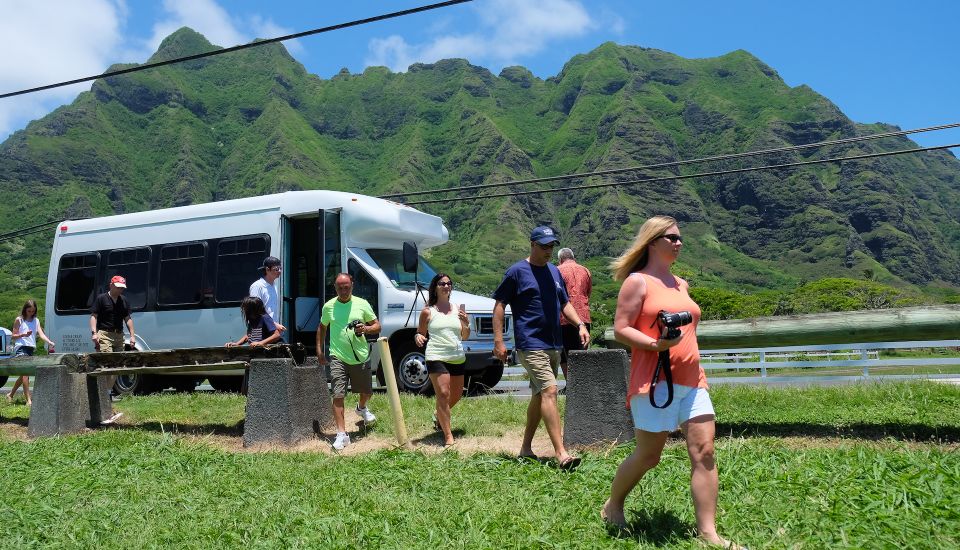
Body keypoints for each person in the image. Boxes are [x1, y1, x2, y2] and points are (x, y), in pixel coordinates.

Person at [601, 216, 741, 550]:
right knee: (649, 456)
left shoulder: (681, 284)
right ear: (652, 241)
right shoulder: (638, 282)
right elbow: (621, 328)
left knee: (705, 451)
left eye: (680, 238)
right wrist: (655, 344)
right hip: (654, 382)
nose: (679, 243)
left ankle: (708, 533)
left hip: (693, 379)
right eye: (671, 238)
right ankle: (613, 504)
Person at [493, 226, 590, 469]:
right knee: (550, 390)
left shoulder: (554, 272)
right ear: (532, 244)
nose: (548, 250)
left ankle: (526, 448)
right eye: (544, 246)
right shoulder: (516, 272)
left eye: (551, 246)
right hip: (530, 343)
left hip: (554, 343)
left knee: (539, 395)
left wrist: (580, 324)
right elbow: (499, 305)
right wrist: (499, 341)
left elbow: (564, 303)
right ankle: (561, 453)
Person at [316, 273, 381, 451]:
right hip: (337, 356)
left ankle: (361, 407)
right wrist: (320, 351)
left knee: (367, 392)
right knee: (337, 395)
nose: (344, 291)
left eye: (347, 287)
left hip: (360, 356)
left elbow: (377, 326)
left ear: (352, 286)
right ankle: (341, 434)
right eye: (340, 288)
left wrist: (365, 329)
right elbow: (322, 327)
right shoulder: (329, 306)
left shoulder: (362, 303)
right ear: (335, 288)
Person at [415, 273, 470, 447]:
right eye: (442, 283)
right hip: (436, 355)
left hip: (457, 356)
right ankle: (448, 436)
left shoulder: (458, 309)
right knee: (444, 394)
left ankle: (438, 414)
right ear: (435, 288)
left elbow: (465, 336)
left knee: (457, 394)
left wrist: (466, 323)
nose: (446, 286)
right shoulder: (427, 311)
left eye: (448, 283)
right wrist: (418, 337)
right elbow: (420, 333)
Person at [8, 299, 55, 405]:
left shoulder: (36, 320)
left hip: (30, 348)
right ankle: (28, 400)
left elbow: (41, 334)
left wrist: (49, 342)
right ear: (25, 309)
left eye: (33, 311)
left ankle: (10, 394)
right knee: (26, 374)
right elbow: (13, 336)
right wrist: (23, 335)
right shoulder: (19, 320)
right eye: (29, 311)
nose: (31, 313)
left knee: (24, 374)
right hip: (21, 348)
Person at [556, 247, 592, 381]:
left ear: (560, 259)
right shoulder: (586, 271)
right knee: (581, 353)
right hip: (583, 317)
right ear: (573, 257)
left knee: (564, 354)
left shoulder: (557, 271)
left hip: (563, 318)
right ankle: (580, 384)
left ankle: (570, 384)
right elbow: (588, 293)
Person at [90, 275, 136, 352]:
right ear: (111, 285)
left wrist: (132, 336)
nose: (120, 290)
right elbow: (93, 317)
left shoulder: (124, 300)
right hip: (105, 335)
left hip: (119, 336)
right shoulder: (101, 298)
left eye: (122, 288)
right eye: (118, 287)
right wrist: (94, 333)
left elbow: (128, 319)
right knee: (107, 358)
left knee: (119, 358)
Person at [249, 256, 286, 334]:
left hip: (272, 328)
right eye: (276, 269)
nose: (279, 271)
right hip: (261, 329)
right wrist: (274, 324)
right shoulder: (257, 286)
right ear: (267, 269)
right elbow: (255, 311)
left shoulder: (274, 286)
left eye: (280, 268)